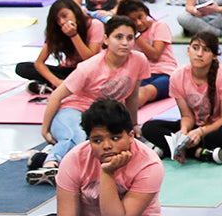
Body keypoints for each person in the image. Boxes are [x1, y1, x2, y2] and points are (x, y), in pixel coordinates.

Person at [4, 100, 163, 216]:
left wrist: (107, 173)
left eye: (115, 138)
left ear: (131, 136)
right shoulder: (74, 159)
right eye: (97, 140)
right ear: (88, 140)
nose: (107, 146)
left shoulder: (149, 164)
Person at [30, 17, 150, 182]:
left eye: (130, 38)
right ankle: (50, 164)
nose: (125, 43)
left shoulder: (139, 60)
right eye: (119, 37)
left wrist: (133, 124)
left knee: (118, 147)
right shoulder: (90, 67)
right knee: (76, 136)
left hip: (105, 117)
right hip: (75, 110)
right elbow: (57, 96)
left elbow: (133, 96)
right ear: (106, 39)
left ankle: (46, 152)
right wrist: (45, 129)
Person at [141, 32, 222, 165]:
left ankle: (172, 149)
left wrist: (199, 132)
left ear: (214, 55)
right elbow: (187, 116)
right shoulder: (178, 76)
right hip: (195, 126)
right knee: (148, 127)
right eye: (195, 48)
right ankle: (199, 152)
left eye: (206, 50)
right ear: (188, 51)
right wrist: (183, 132)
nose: (199, 54)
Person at [17, 0, 104, 93]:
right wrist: (56, 81)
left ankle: (52, 86)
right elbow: (39, 63)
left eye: (64, 16)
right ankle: (62, 86)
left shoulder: (94, 25)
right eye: (57, 20)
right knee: (22, 67)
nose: (62, 21)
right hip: (68, 72)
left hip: (91, 71)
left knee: (93, 79)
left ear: (75, 12)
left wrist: (74, 35)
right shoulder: (57, 31)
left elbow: (90, 60)